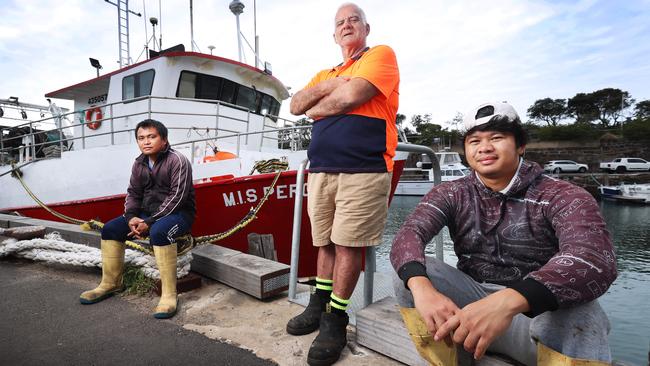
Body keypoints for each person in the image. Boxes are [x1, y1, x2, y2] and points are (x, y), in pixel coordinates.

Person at [390, 101, 617, 366]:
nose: (484, 147)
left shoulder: (563, 195)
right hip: (468, 316)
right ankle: (451, 360)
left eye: (496, 138)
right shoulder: (452, 192)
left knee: (584, 315)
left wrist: (507, 302)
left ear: (520, 146)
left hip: (535, 319)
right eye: (474, 141)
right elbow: (409, 234)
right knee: (411, 272)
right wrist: (422, 287)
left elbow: (593, 258)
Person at [285, 3, 400, 365]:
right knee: (324, 242)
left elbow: (352, 97)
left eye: (354, 20)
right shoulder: (328, 72)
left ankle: (335, 318)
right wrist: (333, 83)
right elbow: (296, 105)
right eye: (340, 23)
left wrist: (322, 103)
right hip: (321, 170)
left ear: (367, 27)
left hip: (363, 168)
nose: (347, 25)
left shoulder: (380, 55)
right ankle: (318, 304)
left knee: (348, 244)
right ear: (333, 34)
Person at [79, 119, 195, 319]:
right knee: (110, 229)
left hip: (179, 214)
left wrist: (148, 223)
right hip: (145, 214)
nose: (146, 142)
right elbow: (133, 193)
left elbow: (177, 197)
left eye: (152, 137)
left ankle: (169, 295)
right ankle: (111, 283)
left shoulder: (178, 160)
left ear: (164, 140)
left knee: (159, 232)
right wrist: (132, 217)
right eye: (141, 138)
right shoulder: (139, 163)